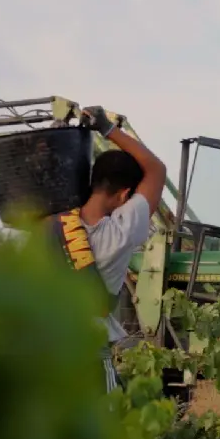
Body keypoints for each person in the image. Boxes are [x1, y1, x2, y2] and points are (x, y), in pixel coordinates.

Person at [49, 105, 166, 393]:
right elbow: (156, 169)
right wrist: (108, 129)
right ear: (125, 195)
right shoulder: (121, 233)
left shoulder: (47, 226)